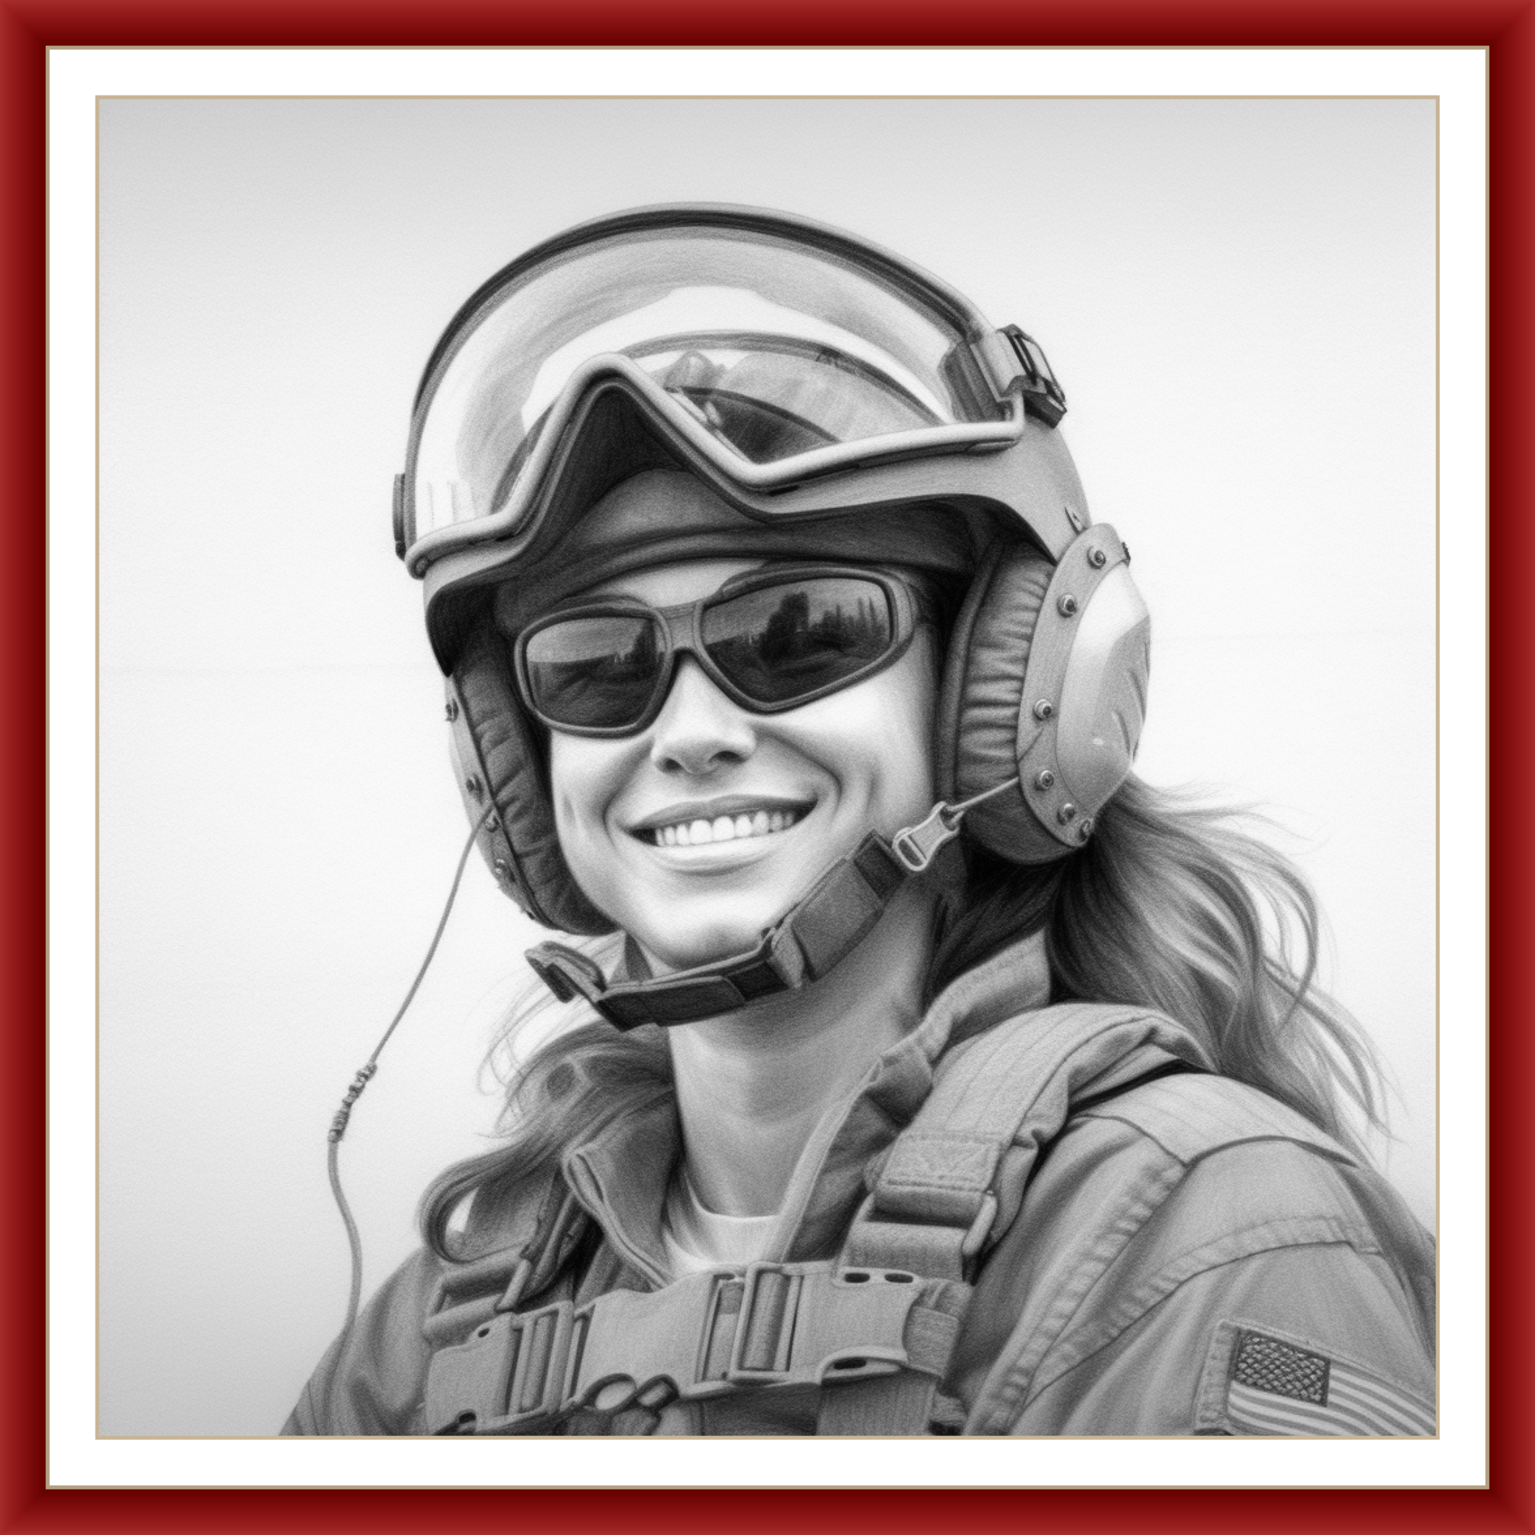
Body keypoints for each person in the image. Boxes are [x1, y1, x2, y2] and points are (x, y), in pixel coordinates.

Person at [286, 205, 1435, 1438]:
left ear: (998, 694)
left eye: (798, 632)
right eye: (595, 663)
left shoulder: (1208, 1238)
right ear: (510, 754)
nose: (687, 732)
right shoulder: (440, 1328)